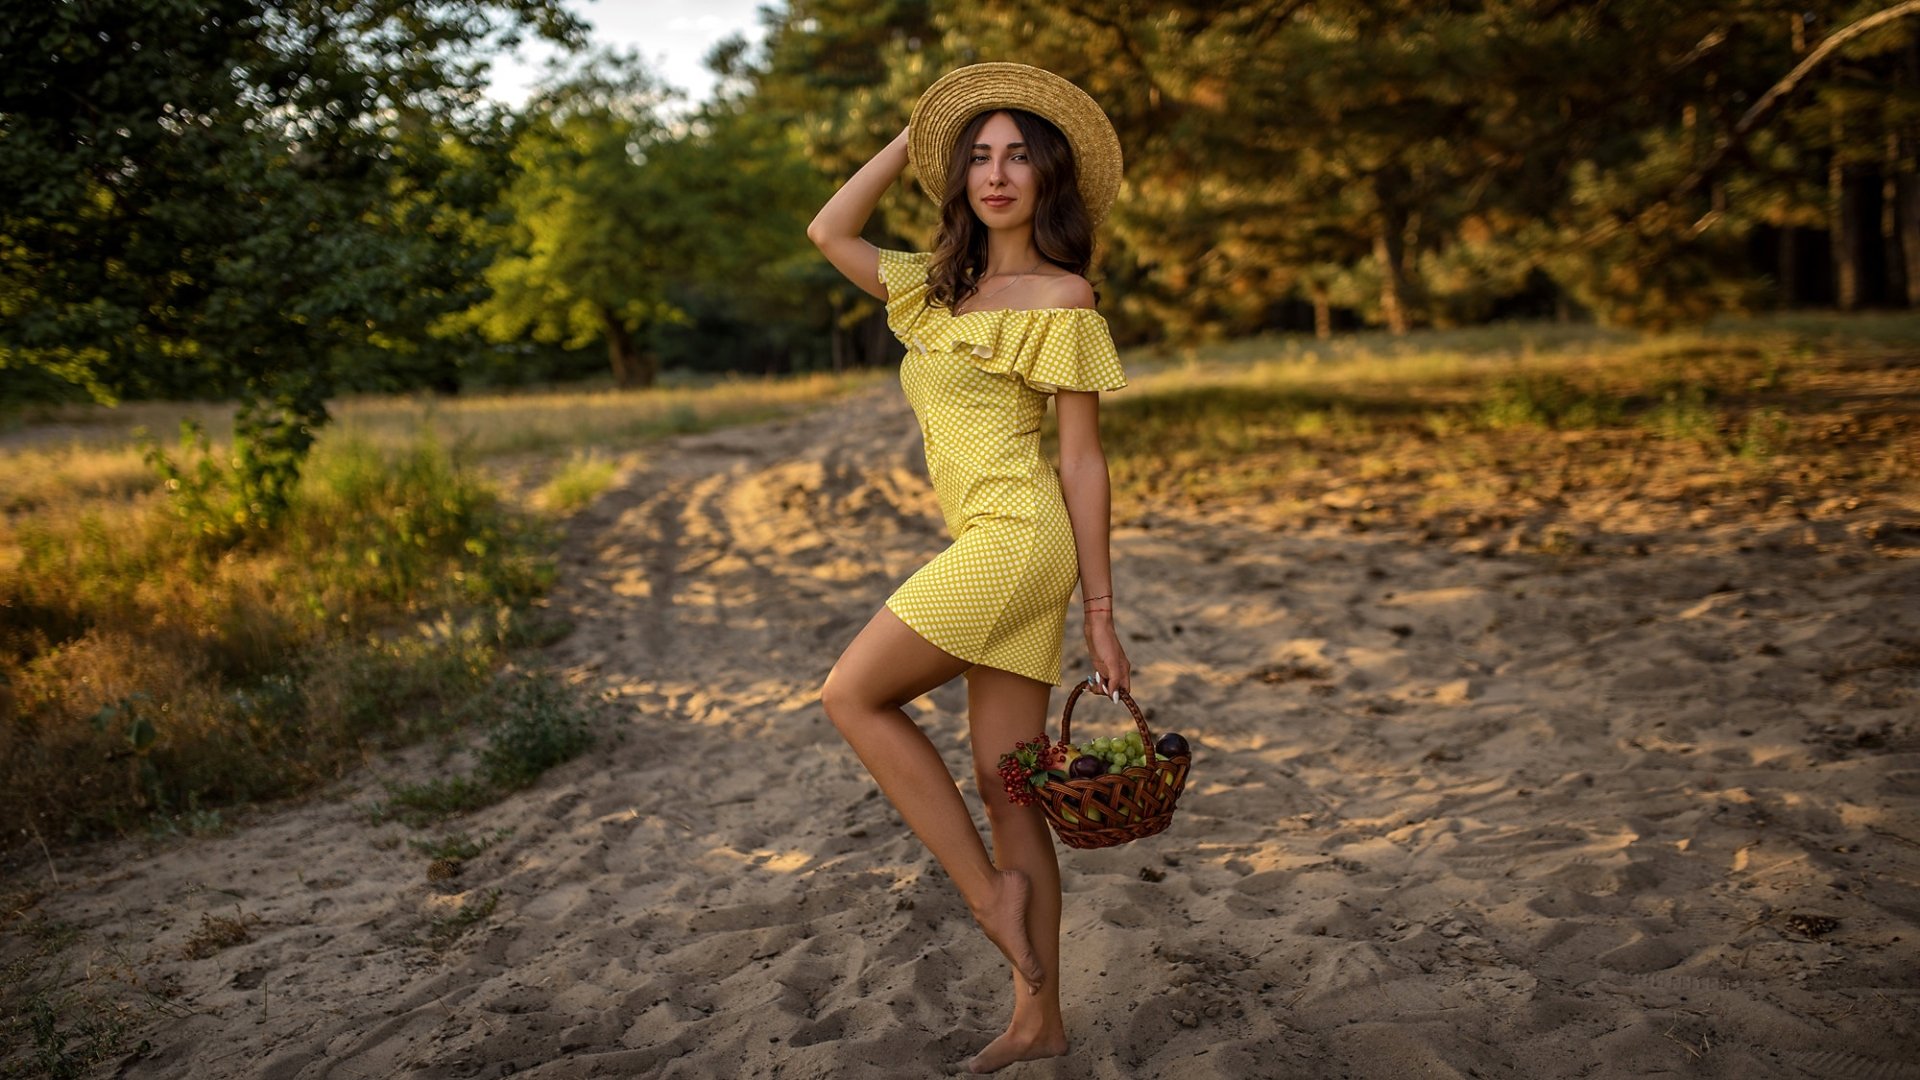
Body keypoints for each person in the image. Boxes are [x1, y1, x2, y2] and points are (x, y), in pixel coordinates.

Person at [807, 63, 1132, 1074]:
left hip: (1019, 541)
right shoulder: (932, 289)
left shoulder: (1062, 296)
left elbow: (1080, 457)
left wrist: (1102, 611)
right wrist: (918, 131)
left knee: (851, 694)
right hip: (981, 542)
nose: (997, 174)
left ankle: (995, 899)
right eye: (978, 155)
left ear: (1046, 179)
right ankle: (1041, 1018)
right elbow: (830, 230)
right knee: (1010, 789)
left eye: (1017, 157)